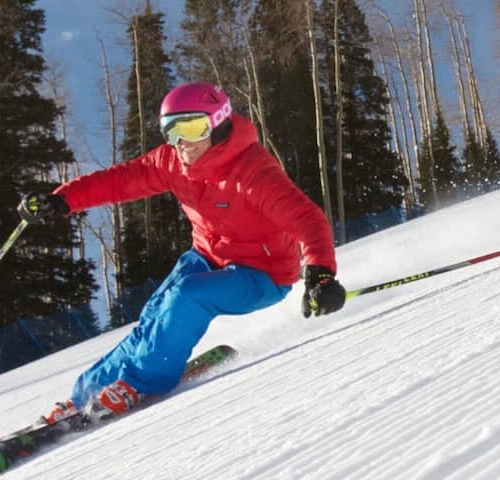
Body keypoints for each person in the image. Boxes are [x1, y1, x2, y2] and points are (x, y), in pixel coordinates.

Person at [17, 82, 346, 423]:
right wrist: (63, 199)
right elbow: (121, 180)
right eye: (172, 131)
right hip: (207, 256)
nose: (182, 142)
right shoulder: (173, 161)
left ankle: (141, 381)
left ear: (218, 124)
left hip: (262, 274)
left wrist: (321, 273)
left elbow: (306, 218)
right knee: (156, 312)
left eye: (192, 129)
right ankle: (86, 393)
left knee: (187, 297)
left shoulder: (252, 171)